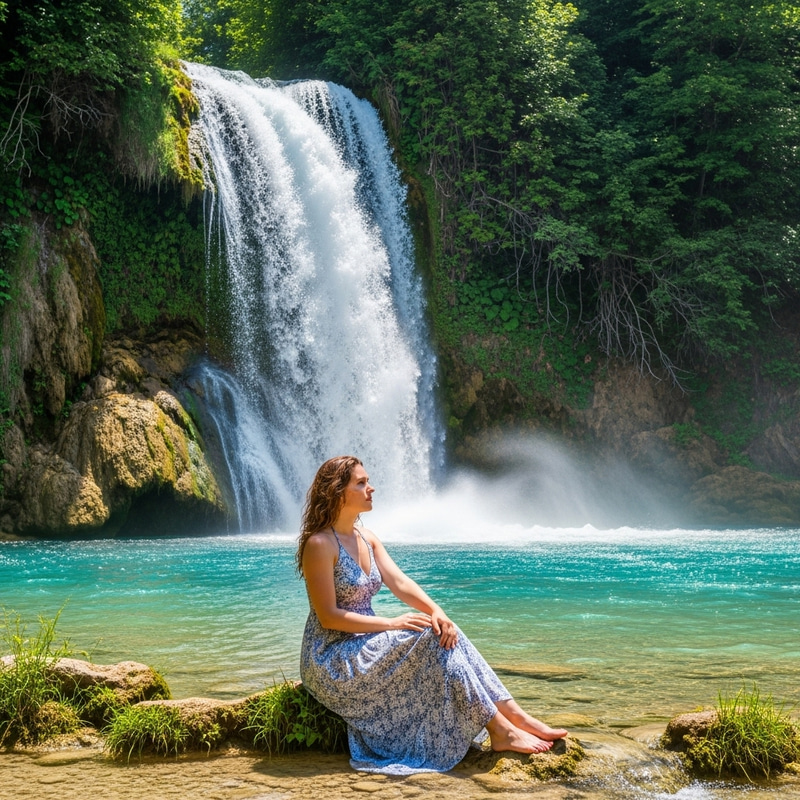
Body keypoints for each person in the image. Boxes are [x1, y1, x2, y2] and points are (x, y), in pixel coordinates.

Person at [298, 455, 568, 774]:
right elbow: (329, 617)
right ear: (337, 491)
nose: (371, 488)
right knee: (426, 636)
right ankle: (500, 731)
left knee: (441, 628)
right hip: (332, 656)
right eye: (361, 482)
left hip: (366, 643)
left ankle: (515, 716)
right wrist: (392, 622)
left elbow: (400, 583)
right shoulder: (319, 544)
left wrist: (438, 611)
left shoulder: (366, 538)